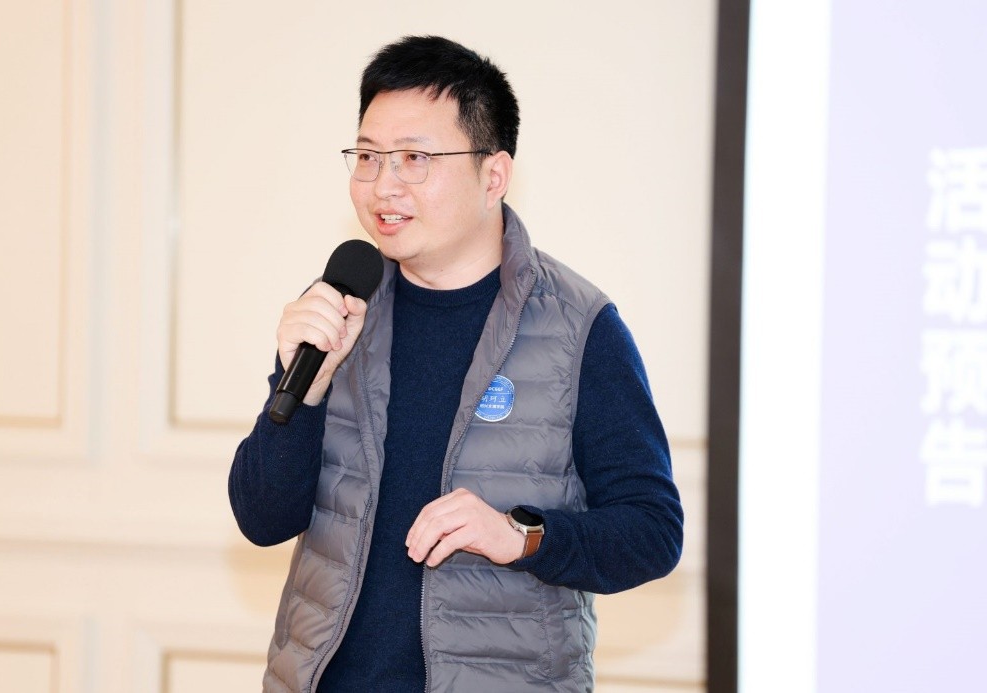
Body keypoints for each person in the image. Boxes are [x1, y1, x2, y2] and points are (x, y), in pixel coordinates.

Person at [229, 35, 684, 693]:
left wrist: (520, 535)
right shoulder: (340, 307)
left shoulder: (578, 328)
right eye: (368, 157)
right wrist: (306, 391)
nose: (383, 185)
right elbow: (262, 517)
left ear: (493, 175)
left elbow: (652, 532)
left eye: (414, 158)